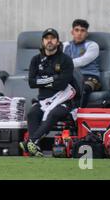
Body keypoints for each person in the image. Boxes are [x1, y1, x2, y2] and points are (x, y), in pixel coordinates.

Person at [20, 28, 78, 157]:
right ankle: (36, 148)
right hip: (43, 101)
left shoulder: (66, 60)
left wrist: (42, 80)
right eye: (47, 38)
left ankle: (32, 142)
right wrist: (53, 79)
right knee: (32, 113)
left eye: (52, 38)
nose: (49, 41)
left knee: (54, 113)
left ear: (57, 42)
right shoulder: (35, 60)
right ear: (42, 42)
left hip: (63, 101)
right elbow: (31, 83)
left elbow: (62, 84)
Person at [63, 19, 101, 107]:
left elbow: (82, 61)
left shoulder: (92, 45)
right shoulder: (65, 45)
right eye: (77, 30)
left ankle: (78, 114)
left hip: (89, 77)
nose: (79, 33)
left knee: (83, 89)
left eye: (82, 31)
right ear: (72, 32)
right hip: (70, 76)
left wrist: (63, 64)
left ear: (86, 33)